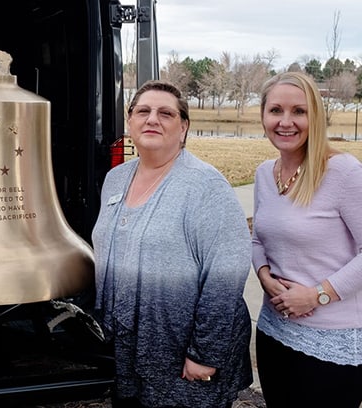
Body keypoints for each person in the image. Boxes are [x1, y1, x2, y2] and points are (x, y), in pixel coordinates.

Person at [92, 80, 253, 408]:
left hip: (184, 357)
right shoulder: (116, 178)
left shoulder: (206, 187)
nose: (152, 119)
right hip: (128, 348)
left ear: (183, 128)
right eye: (143, 111)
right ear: (131, 120)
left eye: (165, 113)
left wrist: (205, 353)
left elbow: (227, 274)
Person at [252, 71, 362, 407]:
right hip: (273, 332)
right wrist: (264, 276)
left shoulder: (343, 172)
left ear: (315, 116)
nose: (286, 122)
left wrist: (318, 296)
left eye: (299, 111)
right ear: (263, 117)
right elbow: (258, 240)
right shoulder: (264, 174)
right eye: (276, 111)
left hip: (331, 342)